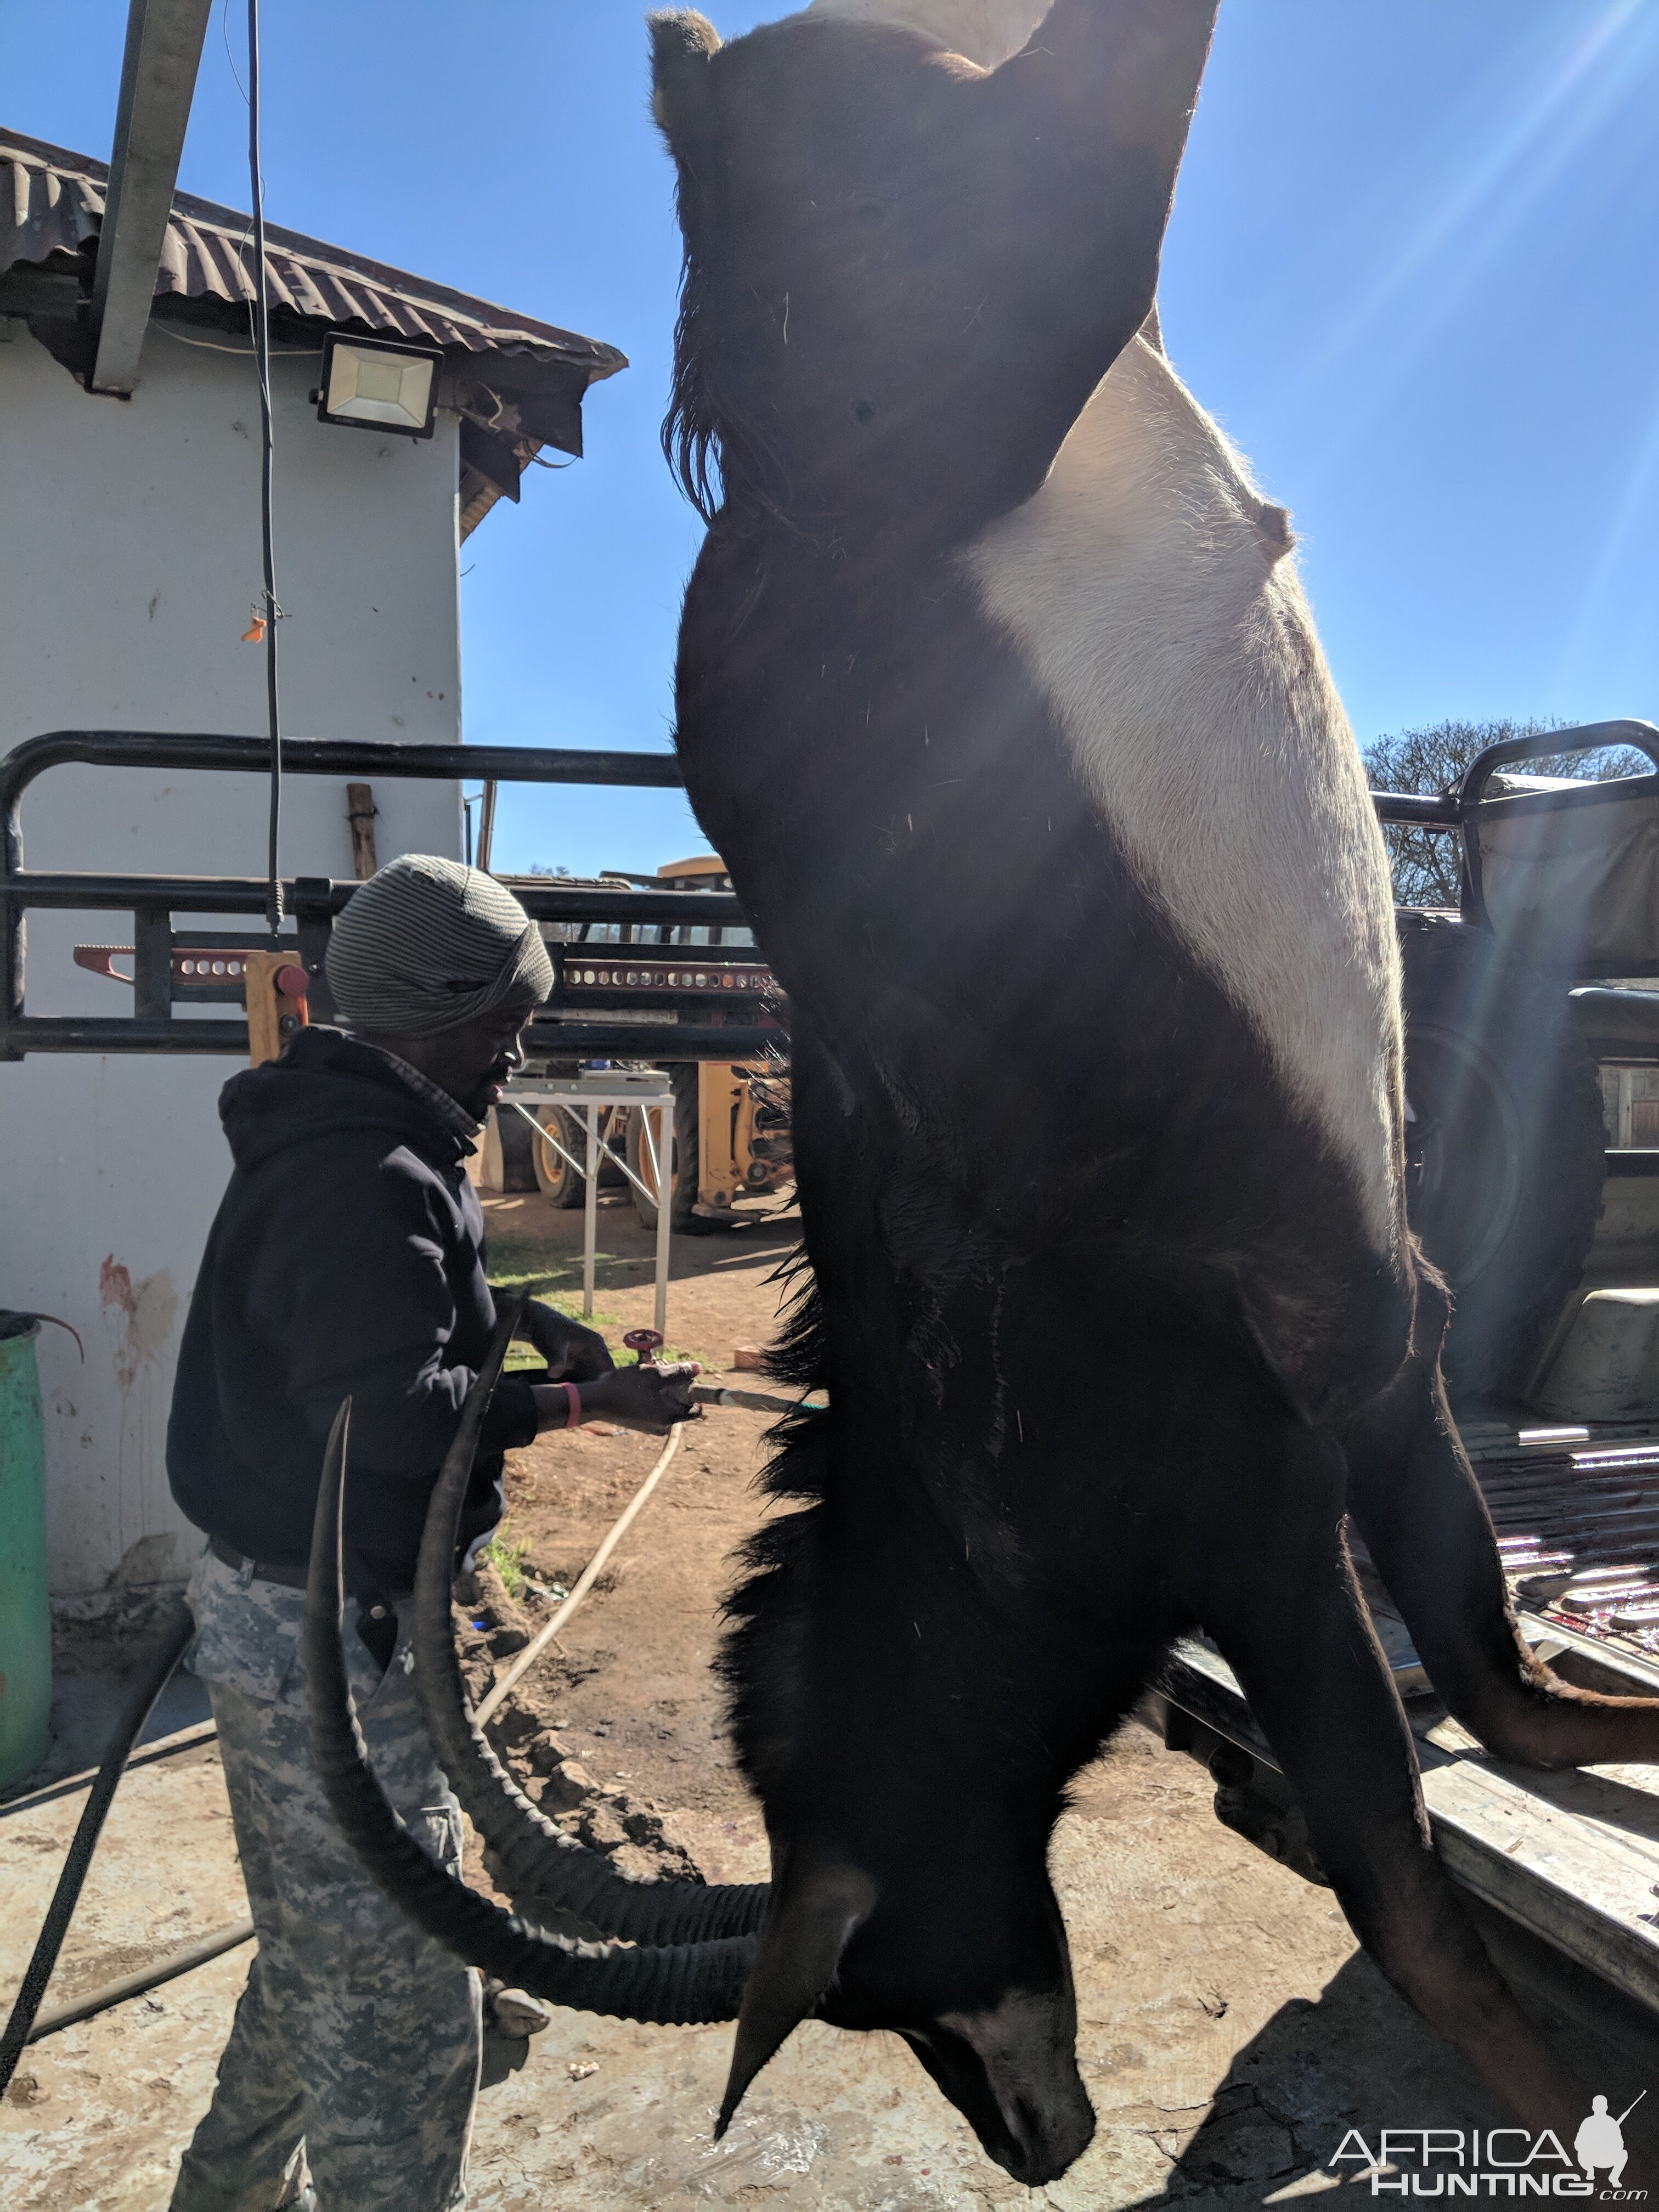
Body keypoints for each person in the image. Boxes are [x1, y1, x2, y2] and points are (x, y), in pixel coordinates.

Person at [165, 855, 697, 2212]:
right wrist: (591, 1400)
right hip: (325, 1644)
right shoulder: (360, 1174)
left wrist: (527, 1322)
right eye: (504, 1026)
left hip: (333, 1622)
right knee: (401, 2029)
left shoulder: (384, 1129)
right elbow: (393, 1415)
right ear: (432, 1012)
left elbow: (413, 1310)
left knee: (324, 1955)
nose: (517, 1057)